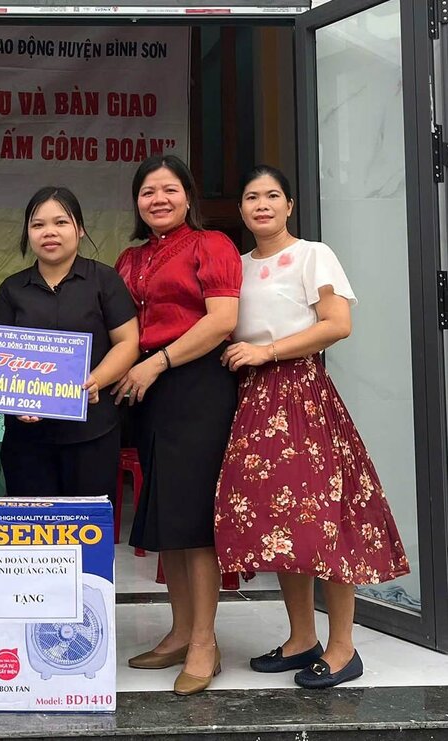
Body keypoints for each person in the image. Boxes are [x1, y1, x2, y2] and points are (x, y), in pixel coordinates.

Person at [214, 165, 410, 688]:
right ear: (240, 210)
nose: (262, 205)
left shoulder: (312, 254)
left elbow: (337, 324)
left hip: (301, 394)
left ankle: (344, 647)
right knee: (283, 523)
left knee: (326, 518)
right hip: (254, 400)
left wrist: (267, 350)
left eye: (272, 196)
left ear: (289, 205)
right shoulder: (236, 266)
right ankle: (303, 638)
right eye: (251, 197)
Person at [113, 154, 242, 696]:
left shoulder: (211, 245)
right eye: (148, 191)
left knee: (193, 518)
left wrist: (158, 361)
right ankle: (179, 632)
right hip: (147, 392)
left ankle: (205, 644)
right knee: (165, 511)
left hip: (195, 386)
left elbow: (222, 320)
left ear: (188, 195)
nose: (158, 199)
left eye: (169, 189)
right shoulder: (129, 257)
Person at [0, 186, 138, 496]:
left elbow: (127, 342)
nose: (49, 232)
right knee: (31, 533)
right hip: (27, 439)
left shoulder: (104, 281)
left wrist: (96, 381)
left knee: (86, 532)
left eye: (61, 222)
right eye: (38, 224)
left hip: (92, 432)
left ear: (80, 229)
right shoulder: (12, 289)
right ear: (28, 233)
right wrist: (14, 402)